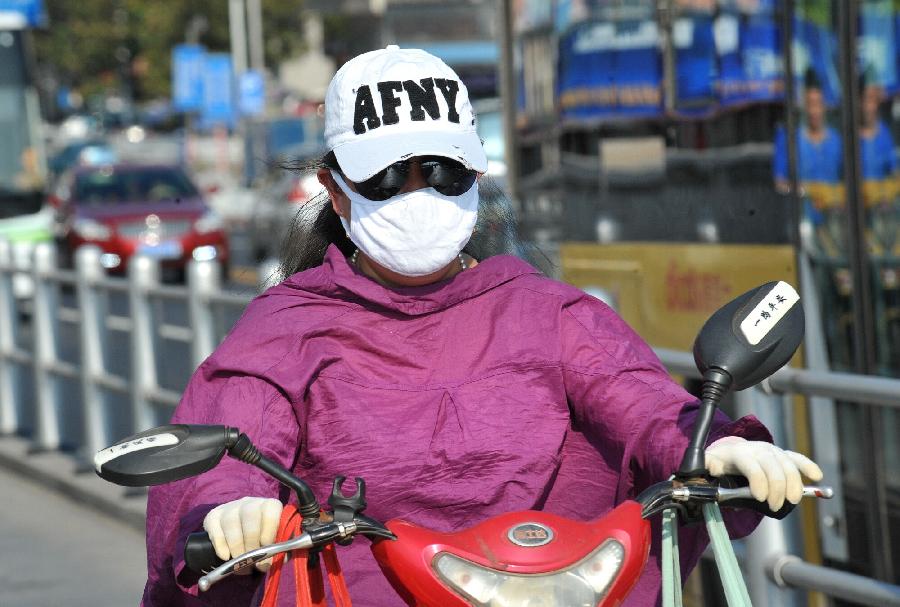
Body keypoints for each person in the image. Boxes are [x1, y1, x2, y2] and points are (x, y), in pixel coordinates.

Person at [143, 46, 822, 606]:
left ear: (475, 173)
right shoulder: (285, 328)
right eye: (386, 177)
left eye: (440, 170)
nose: (419, 194)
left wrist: (717, 446)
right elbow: (236, 438)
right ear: (336, 190)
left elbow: (637, 398)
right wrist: (231, 508)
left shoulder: (545, 310)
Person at [773, 68, 844, 254]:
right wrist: (806, 191)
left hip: (836, 224)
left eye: (817, 104)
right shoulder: (789, 139)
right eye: (809, 104)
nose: (814, 111)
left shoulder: (837, 140)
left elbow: (848, 180)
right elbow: (780, 184)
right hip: (804, 227)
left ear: (825, 106)